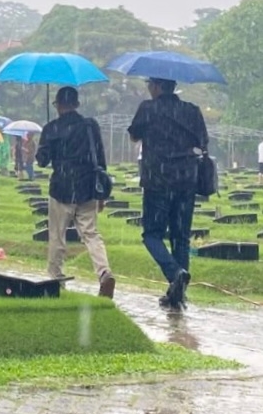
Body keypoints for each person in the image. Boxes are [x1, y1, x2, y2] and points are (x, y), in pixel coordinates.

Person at [128, 77, 209, 311]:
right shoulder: (191, 110)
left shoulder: (148, 108)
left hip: (158, 180)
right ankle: (177, 295)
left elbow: (134, 135)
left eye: (149, 84)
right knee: (180, 236)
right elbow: (203, 141)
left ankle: (175, 274)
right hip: (186, 179)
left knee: (152, 234)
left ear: (157, 86)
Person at [36, 86, 116, 299]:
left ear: (57, 105)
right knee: (90, 234)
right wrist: (102, 194)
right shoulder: (90, 126)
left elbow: (42, 161)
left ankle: (55, 277)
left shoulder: (52, 128)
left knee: (57, 235)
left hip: (61, 187)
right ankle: (104, 272)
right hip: (88, 187)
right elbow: (100, 159)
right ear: (77, 104)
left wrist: (43, 144)